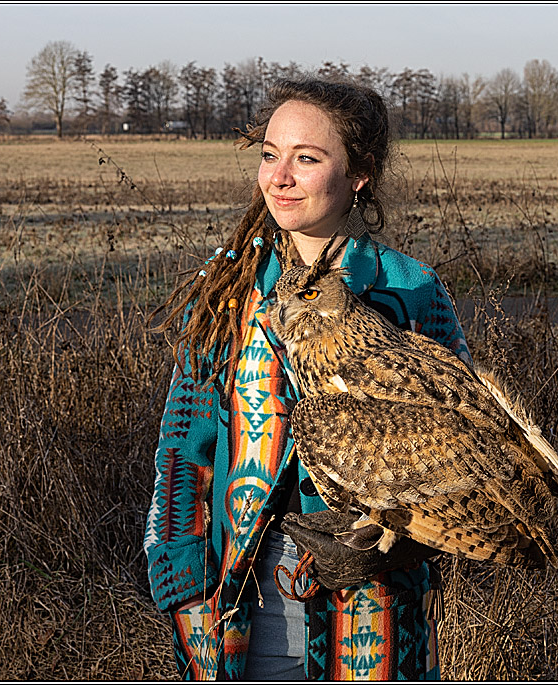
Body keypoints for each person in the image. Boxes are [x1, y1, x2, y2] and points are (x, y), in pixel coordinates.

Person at [144, 77, 473, 680]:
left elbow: (465, 462)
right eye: (271, 155)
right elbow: (183, 453)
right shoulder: (227, 289)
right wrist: (183, 589)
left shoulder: (412, 293)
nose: (280, 177)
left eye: (308, 158)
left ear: (359, 174)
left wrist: (391, 543)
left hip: (374, 615)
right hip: (242, 608)